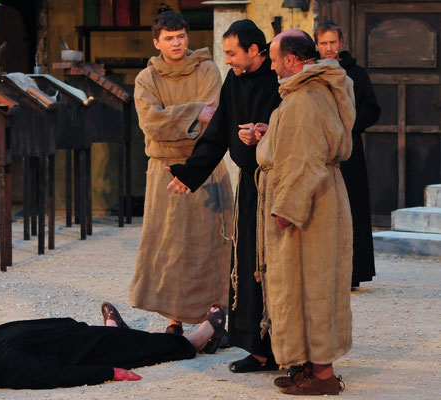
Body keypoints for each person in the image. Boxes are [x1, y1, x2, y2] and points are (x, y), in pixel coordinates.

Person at [167, 19, 281, 372]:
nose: (227, 60)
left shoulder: (280, 79)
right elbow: (217, 133)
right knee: (247, 266)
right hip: (250, 186)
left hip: (278, 187)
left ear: (253, 50)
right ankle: (259, 349)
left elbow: (295, 125)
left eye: (231, 53)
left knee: (278, 268)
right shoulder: (233, 80)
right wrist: (190, 172)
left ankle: (288, 348)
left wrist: (266, 135)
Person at [255, 30, 355, 395]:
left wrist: (286, 208)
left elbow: (305, 161)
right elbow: (304, 143)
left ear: (292, 61)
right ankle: (310, 367)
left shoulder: (305, 98)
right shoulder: (313, 92)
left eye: (275, 57)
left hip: (308, 207)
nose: (272, 64)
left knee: (313, 287)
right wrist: (273, 135)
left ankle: (324, 377)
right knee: (307, 285)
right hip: (320, 199)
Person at [130, 11, 233, 336]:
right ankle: (174, 320)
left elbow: (213, 119)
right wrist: (192, 112)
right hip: (163, 171)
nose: (177, 43)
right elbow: (150, 123)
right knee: (169, 248)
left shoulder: (207, 70)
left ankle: (214, 318)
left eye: (181, 36)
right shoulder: (147, 79)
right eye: (169, 38)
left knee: (210, 246)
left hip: (204, 167)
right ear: (156, 42)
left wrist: (176, 119)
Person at [0, 303, 225, 399]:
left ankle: (113, 332)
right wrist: (109, 372)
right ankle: (196, 342)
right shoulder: (12, 367)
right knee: (142, 348)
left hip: (75, 333)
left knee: (119, 339)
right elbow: (57, 375)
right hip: (86, 351)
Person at [314, 21, 381, 289]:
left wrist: (346, 123)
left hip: (350, 151)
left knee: (352, 208)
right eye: (323, 43)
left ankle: (353, 272)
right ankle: (322, 271)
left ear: (341, 43)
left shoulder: (357, 74)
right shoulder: (311, 73)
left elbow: (372, 109)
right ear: (316, 45)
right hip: (318, 148)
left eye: (333, 42)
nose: (329, 47)